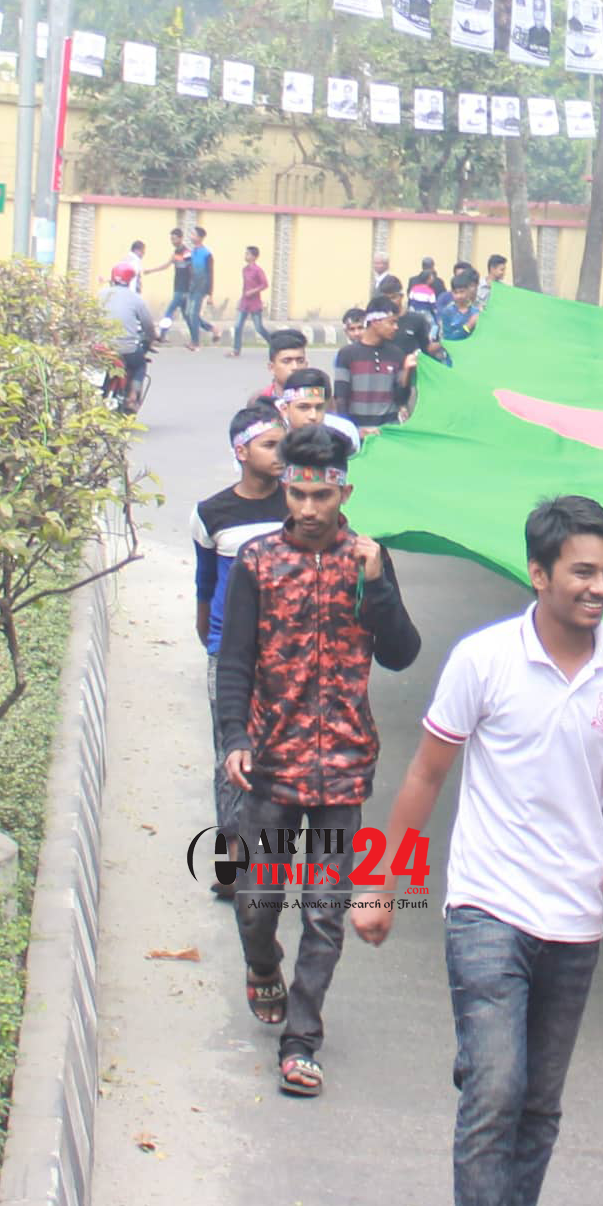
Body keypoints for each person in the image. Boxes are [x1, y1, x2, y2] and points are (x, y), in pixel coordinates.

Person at [351, 497, 603, 1206]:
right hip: (486, 903)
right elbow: (425, 775)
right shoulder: (485, 659)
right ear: (538, 573)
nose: (599, 587)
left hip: (574, 916)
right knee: (497, 1090)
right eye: (582, 572)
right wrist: (378, 885)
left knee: (536, 1104)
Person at [216, 424, 421, 1098]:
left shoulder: (368, 561)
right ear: (286, 490)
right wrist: (234, 738)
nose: (308, 509)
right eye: (298, 494)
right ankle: (262, 964)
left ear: (343, 493)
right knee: (257, 902)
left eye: (321, 496)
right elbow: (235, 659)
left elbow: (401, 653)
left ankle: (302, 1039)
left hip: (343, 768)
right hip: (271, 765)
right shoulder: (257, 561)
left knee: (325, 912)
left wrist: (377, 586)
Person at [190, 407, 287, 898]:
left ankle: (268, 861)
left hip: (286, 654)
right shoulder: (211, 514)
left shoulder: (298, 505)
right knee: (230, 750)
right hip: (228, 654)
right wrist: (213, 640)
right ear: (241, 450)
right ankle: (232, 863)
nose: (279, 453)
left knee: (278, 753)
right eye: (269, 445)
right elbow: (205, 584)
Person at [332, 296, 407, 430]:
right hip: (359, 431)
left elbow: (401, 398)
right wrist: (351, 432)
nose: (396, 327)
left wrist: (408, 371)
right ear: (375, 322)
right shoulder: (347, 354)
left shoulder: (397, 354)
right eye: (392, 322)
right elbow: (340, 398)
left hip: (388, 432)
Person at [98, 263, 158, 412]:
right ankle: (132, 396)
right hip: (126, 348)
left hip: (101, 347)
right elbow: (147, 325)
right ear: (130, 279)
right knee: (140, 365)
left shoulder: (101, 295)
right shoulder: (135, 299)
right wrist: (152, 337)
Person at [276, 366, 362, 453]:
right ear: (285, 410)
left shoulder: (344, 431)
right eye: (303, 407)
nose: (313, 416)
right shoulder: (273, 438)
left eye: (319, 407)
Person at [232, 245, 271, 357]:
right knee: (238, 326)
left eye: (248, 254)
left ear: (254, 257)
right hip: (245, 303)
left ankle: (274, 344)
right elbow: (245, 286)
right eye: (246, 253)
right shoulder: (245, 270)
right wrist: (241, 299)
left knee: (259, 328)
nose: (245, 255)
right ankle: (236, 350)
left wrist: (253, 291)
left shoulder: (258, 270)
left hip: (255, 303)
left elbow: (265, 284)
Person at [254, 329, 310, 404]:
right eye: (286, 361)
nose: (295, 367)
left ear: (306, 365)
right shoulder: (259, 400)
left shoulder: (318, 399)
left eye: (300, 361)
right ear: (271, 368)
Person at [187, 225, 218, 352]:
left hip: (201, 287)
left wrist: (210, 294)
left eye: (193, 234)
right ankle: (212, 329)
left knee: (194, 314)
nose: (191, 236)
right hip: (192, 287)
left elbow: (210, 273)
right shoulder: (192, 252)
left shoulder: (207, 254)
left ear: (200, 238)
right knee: (188, 314)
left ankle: (195, 343)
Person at [162, 227, 194, 344]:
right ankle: (198, 336)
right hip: (178, 287)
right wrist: (151, 271)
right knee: (187, 316)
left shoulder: (186, 253)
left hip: (183, 289)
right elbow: (166, 265)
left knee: (169, 311)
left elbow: (192, 270)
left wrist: (190, 288)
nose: (172, 241)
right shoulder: (176, 252)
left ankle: (162, 334)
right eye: (171, 239)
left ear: (181, 238)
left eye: (174, 239)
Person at [440, 272, 483, 339]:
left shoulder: (476, 311)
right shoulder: (447, 312)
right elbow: (448, 338)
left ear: (468, 291)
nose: (459, 296)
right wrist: (468, 326)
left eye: (462, 292)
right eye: (455, 292)